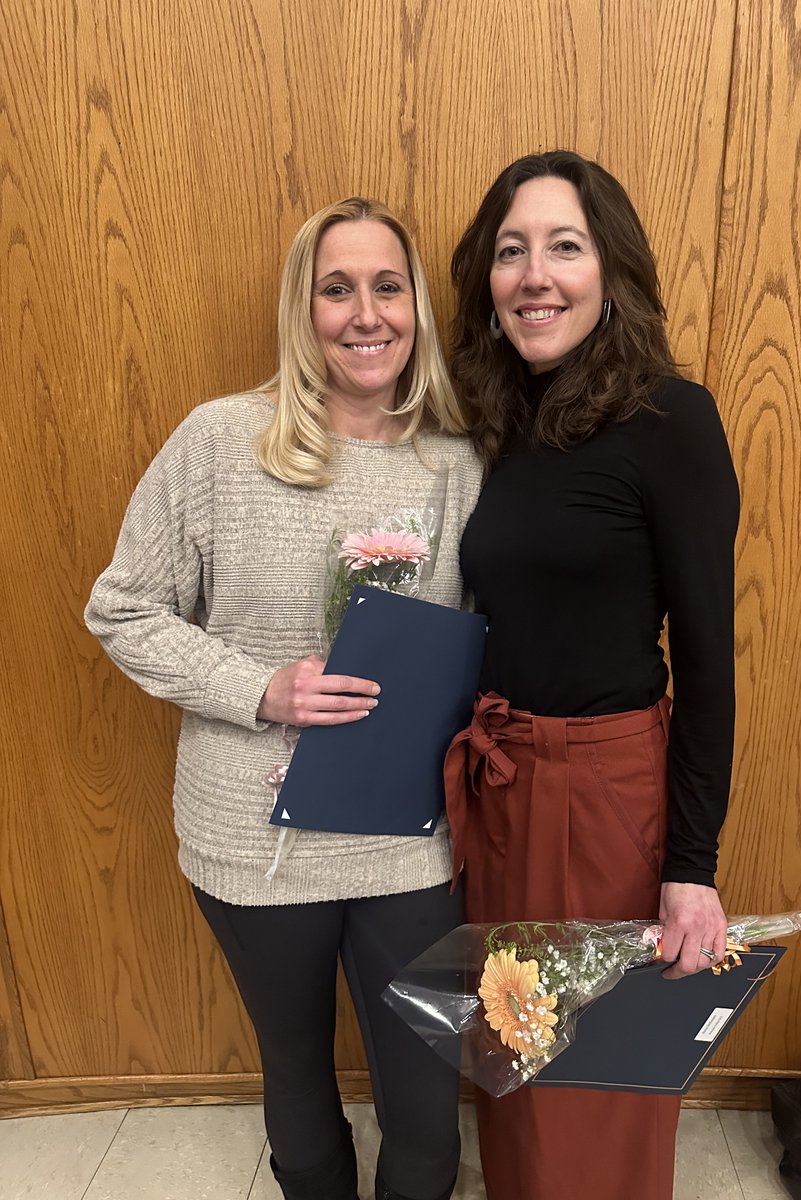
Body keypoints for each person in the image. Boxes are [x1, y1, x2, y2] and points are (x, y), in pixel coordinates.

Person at [85, 197, 483, 1200]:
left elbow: (488, 642)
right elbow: (122, 609)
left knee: (425, 1105)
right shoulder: (221, 442)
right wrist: (258, 688)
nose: (366, 314)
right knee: (297, 1074)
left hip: (407, 838)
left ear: (417, 308)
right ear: (302, 310)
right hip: (251, 837)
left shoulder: (458, 464)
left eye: (388, 287)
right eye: (336, 289)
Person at [443, 151, 740, 1199]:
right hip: (501, 783)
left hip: (606, 794)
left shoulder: (672, 419)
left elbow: (708, 662)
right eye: (511, 251)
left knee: (598, 1080)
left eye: (564, 247)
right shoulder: (496, 425)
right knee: (515, 1055)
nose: (535, 275)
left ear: (610, 269)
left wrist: (692, 866)